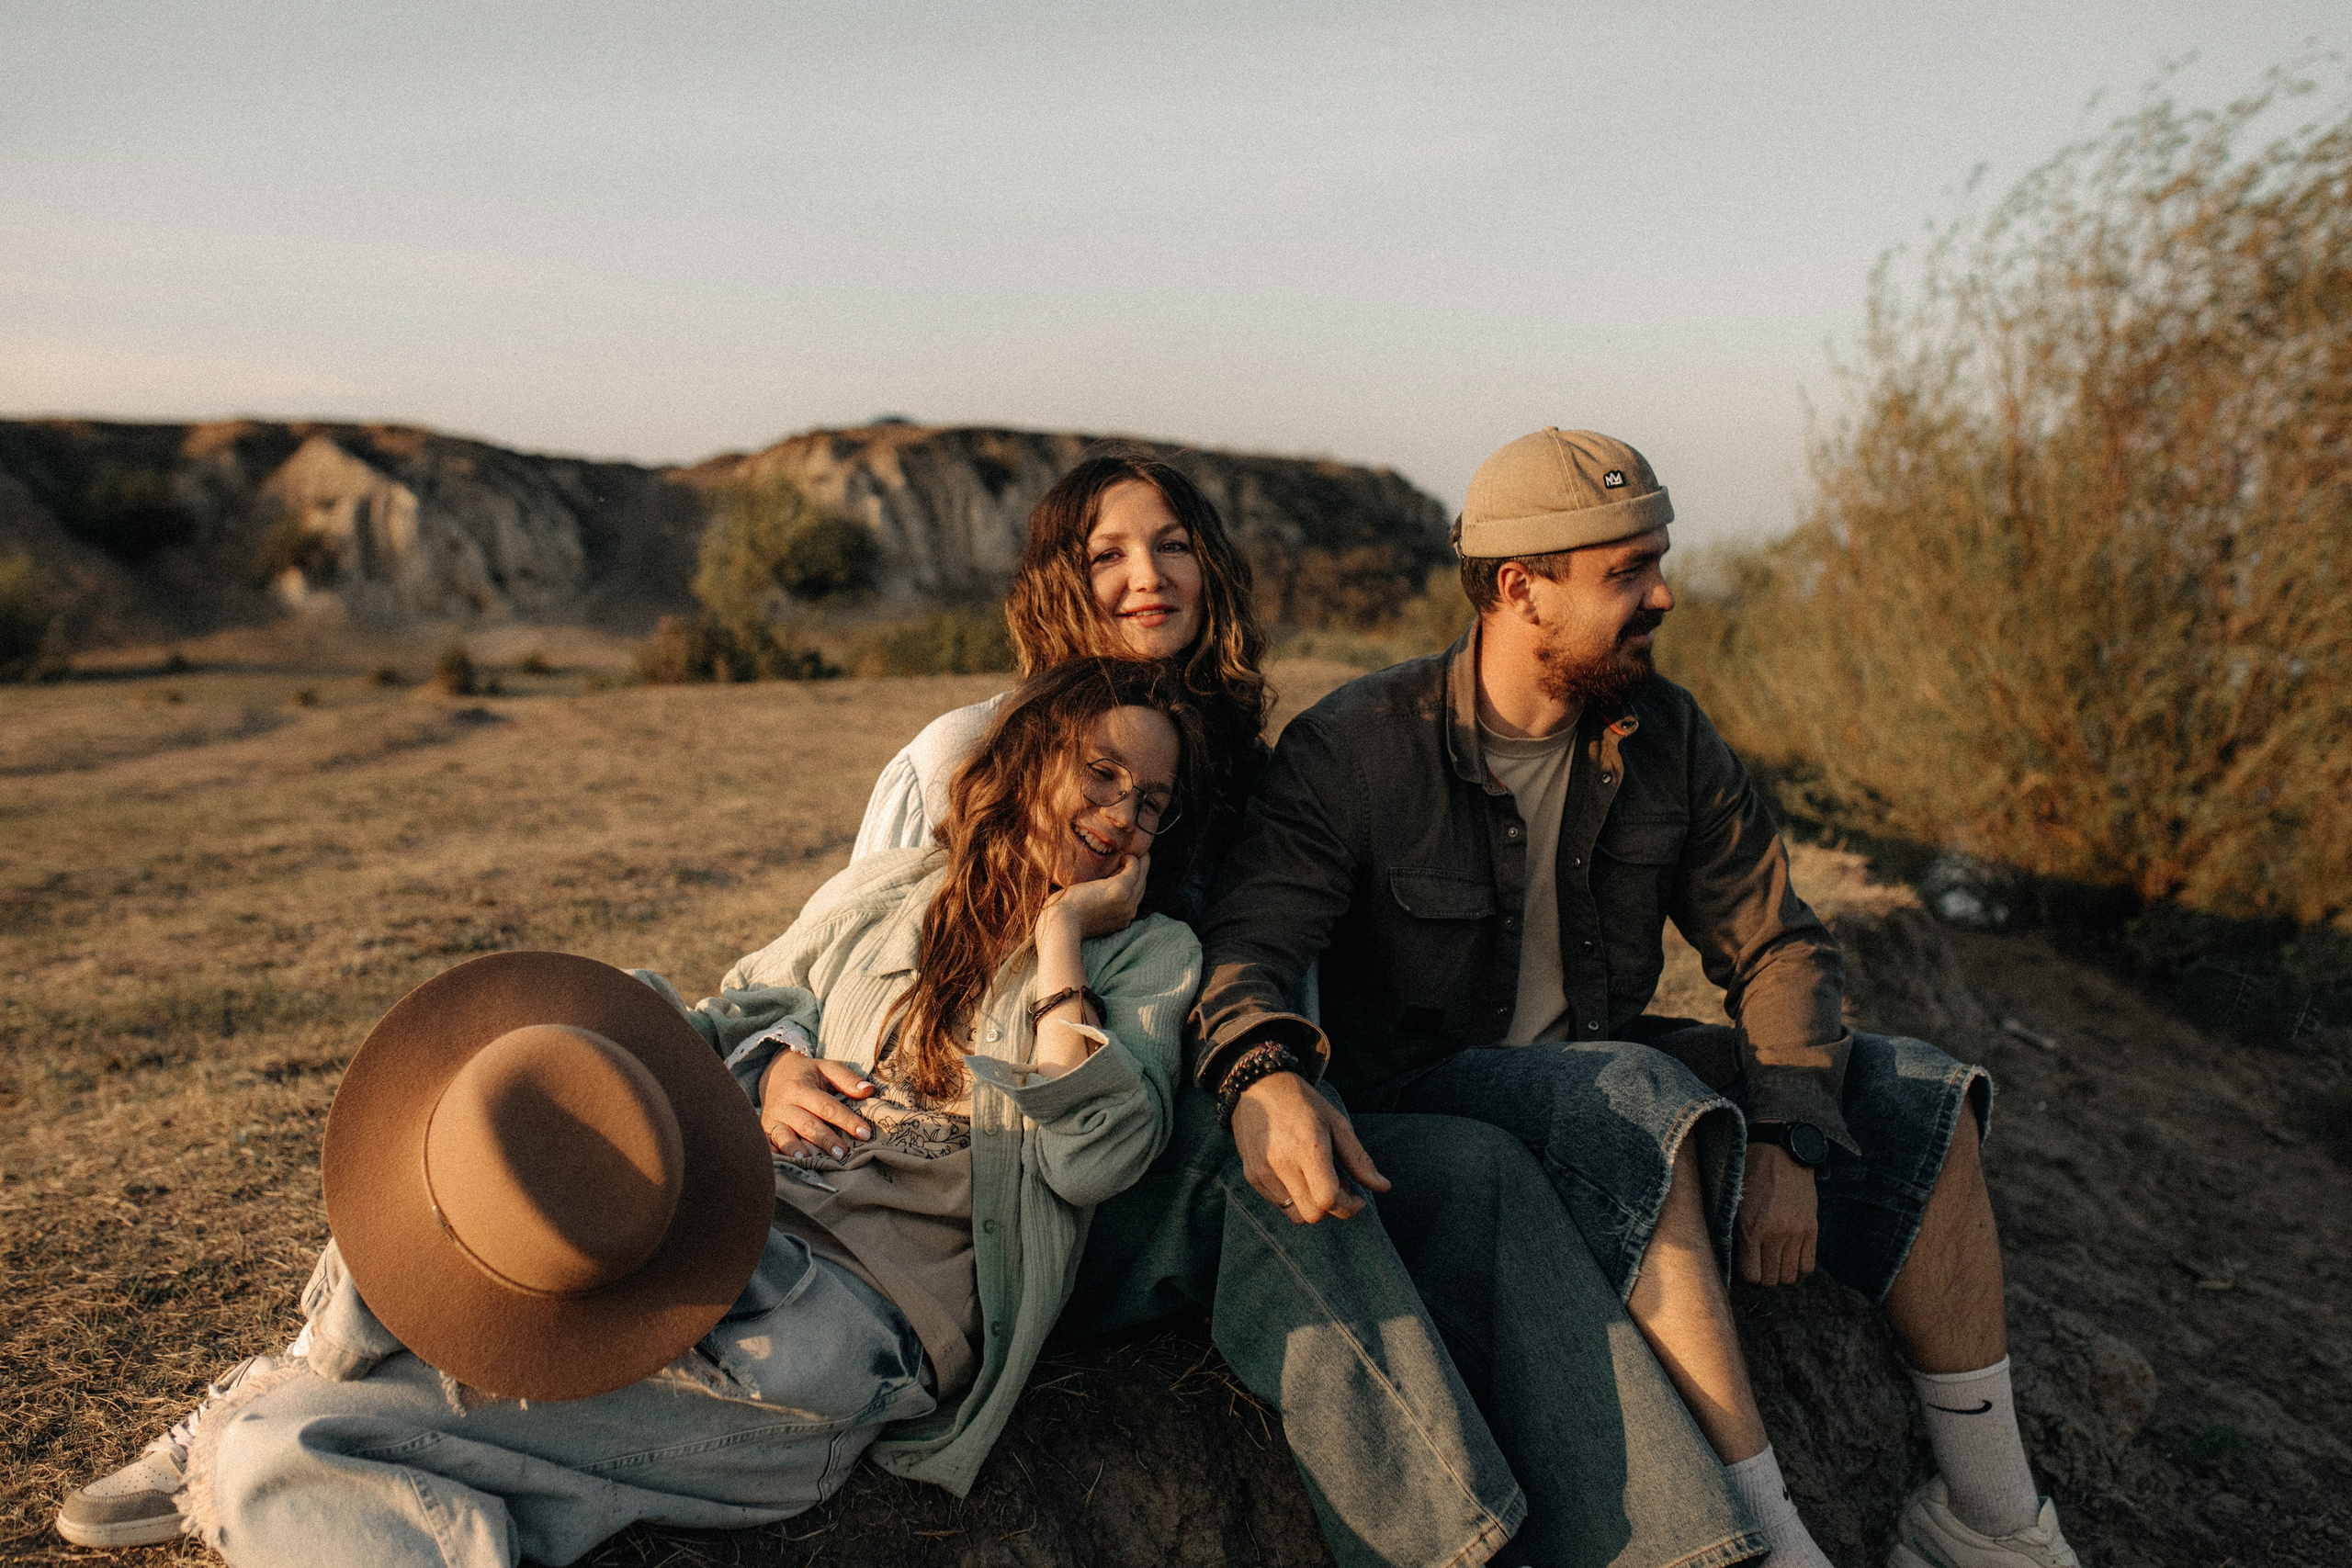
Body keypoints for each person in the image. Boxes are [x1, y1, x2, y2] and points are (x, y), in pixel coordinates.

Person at [62, 660, 1209, 1566]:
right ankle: (308, 1371)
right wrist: (769, 1070)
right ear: (1026, 759)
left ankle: (263, 1406)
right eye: (1101, 775)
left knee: (284, 1452)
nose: (1123, 817)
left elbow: (1095, 1155)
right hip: (706, 1241)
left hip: (830, 1339)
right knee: (506, 1136)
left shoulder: (1149, 955)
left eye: (1150, 803)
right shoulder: (887, 893)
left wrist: (1063, 939)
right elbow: (732, 1010)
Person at [835, 448, 1762, 1567]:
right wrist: (787, 1067)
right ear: (1052, 585)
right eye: (1108, 555)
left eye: (1174, 544)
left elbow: (1276, 972)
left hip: (1184, 1144)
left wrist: (1287, 1078)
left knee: (1476, 1171)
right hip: (1027, 1179)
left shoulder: (1237, 772)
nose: (1149, 576)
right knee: (1270, 1177)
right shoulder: (960, 755)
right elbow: (859, 971)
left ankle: (1685, 1549)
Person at [1193, 426, 2085, 1568]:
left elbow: (1778, 946)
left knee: (1919, 1090)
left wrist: (1788, 1137)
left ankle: (1990, 1521)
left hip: (1614, 1089)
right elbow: (1250, 947)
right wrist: (1264, 1073)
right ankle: (1772, 1540)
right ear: (1522, 589)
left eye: (1657, 560)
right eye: (1628, 572)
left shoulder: (1663, 733)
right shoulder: (1358, 746)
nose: (1663, 594)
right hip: (1435, 1109)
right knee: (1631, 1090)